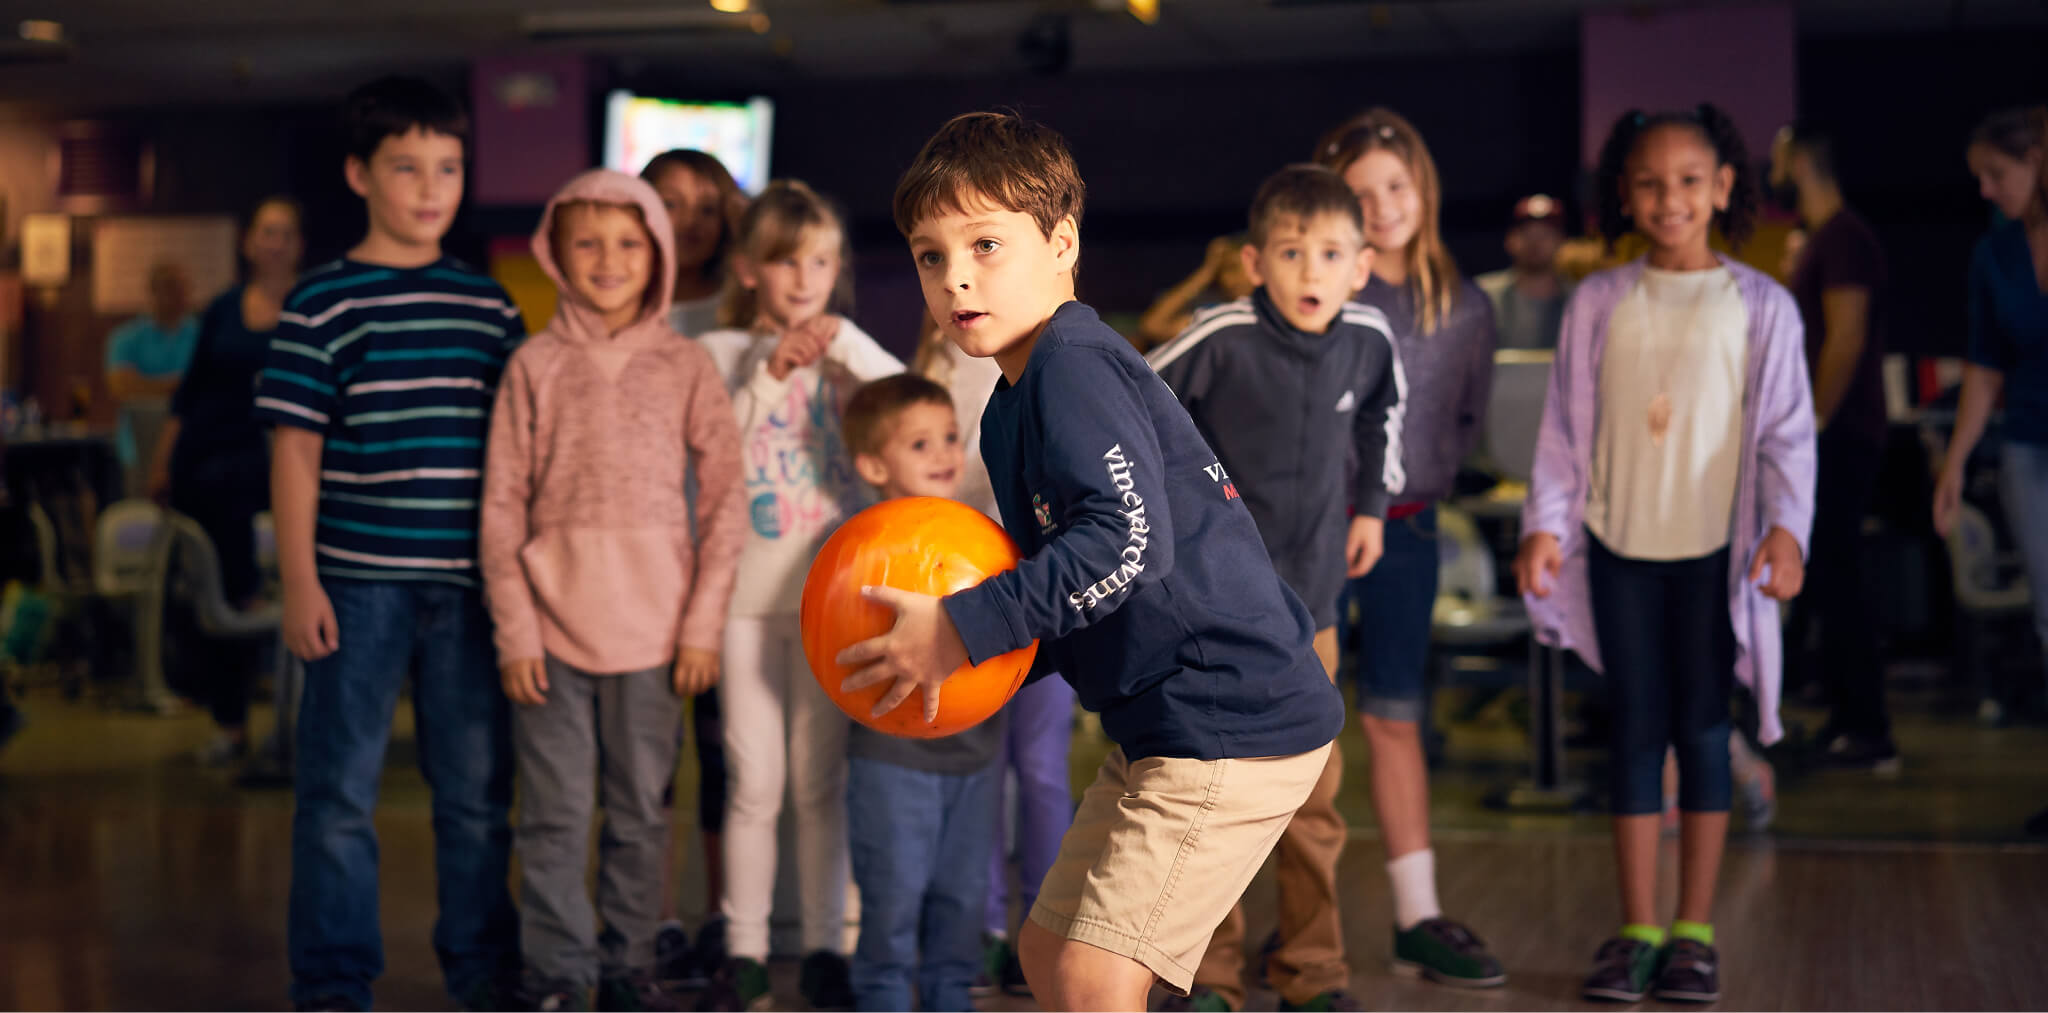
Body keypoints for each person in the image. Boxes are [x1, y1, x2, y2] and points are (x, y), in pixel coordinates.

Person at [841, 109, 1343, 1012]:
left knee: (1093, 978)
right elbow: (1075, 588)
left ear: (1062, 240)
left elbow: (1126, 544)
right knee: (1048, 951)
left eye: (985, 244)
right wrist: (968, 667)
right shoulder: (1007, 404)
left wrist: (966, 624)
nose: (955, 276)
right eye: (929, 254)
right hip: (1164, 725)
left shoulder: (1075, 362)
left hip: (1228, 719)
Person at [1514, 104, 1815, 1005]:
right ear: (1623, 193)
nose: (1669, 197)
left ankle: (1694, 932)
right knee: (1635, 735)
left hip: (1714, 559)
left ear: (1724, 187)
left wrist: (1788, 528)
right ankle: (1637, 927)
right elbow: (1567, 432)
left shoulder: (1761, 305)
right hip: (1619, 550)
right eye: (1648, 182)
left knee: (1704, 733)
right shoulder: (1601, 300)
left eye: (1689, 180)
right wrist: (1545, 526)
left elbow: (1787, 435)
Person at [252, 75, 523, 1013]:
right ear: (359, 174)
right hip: (356, 583)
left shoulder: (489, 310)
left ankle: (484, 974)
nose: (429, 187)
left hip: (468, 587)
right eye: (406, 167)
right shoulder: (321, 304)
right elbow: (294, 452)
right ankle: (331, 983)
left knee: (476, 799)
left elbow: (516, 460)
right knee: (336, 799)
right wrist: (299, 581)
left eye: (447, 167)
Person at [480, 168, 746, 1012]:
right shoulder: (533, 363)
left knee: (639, 816)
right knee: (554, 818)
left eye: (629, 243)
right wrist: (516, 631)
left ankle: (627, 965)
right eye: (587, 241)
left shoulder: (687, 364)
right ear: (554, 251)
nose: (608, 259)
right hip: (549, 641)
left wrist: (702, 625)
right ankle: (558, 973)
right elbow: (500, 505)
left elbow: (726, 503)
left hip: (660, 638)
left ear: (658, 255)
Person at [1145, 163, 1402, 1013]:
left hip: (1315, 614)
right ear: (1256, 262)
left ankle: (1313, 971)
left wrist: (1372, 506)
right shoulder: (1219, 335)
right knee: (1215, 804)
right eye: (1291, 253)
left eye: (1331, 254)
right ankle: (1209, 976)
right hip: (1218, 618)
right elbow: (1133, 404)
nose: (1311, 272)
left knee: (1313, 804)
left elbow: (1381, 413)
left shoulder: (1368, 338)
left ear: (1361, 266)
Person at [692, 180, 902, 1012]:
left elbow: (908, 408)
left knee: (821, 782)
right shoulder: (716, 352)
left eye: (821, 260)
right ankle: (743, 946)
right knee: (753, 780)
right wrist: (773, 373)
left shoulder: (848, 349)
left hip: (831, 599)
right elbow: (715, 463)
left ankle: (829, 944)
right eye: (787, 262)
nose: (806, 277)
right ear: (750, 270)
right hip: (745, 602)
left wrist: (845, 344)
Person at [1313, 107, 1505, 989]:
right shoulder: (1322, 293)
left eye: (1397, 185)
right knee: (1295, 732)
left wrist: (1402, 499)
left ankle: (1416, 917)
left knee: (1396, 717)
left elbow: (1464, 424)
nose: (1384, 205)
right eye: (1361, 193)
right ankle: (1271, 938)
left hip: (1410, 528)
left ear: (1423, 189)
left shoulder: (1465, 307)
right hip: (1312, 532)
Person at [910, 315, 1077, 999]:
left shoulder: (1054, 367)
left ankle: (1042, 923)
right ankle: (983, 930)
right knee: (981, 772)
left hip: (1035, 598)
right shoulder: (931, 373)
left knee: (1038, 768)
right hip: (961, 601)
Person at [832, 373, 1006, 1012]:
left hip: (975, 757)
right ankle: (881, 998)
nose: (943, 454)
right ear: (874, 465)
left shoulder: (980, 541)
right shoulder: (859, 551)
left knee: (960, 906)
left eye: (950, 439)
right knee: (893, 904)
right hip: (891, 762)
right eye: (920, 444)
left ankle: (949, 999)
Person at [638, 147, 749, 987]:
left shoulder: (744, 310)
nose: (689, 219)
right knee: (640, 757)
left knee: (720, 753)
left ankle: (720, 915)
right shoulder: (621, 305)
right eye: (670, 202)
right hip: (638, 557)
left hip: (721, 557)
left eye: (706, 205)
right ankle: (653, 921)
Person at [148, 197, 303, 766]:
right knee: (210, 587)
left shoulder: (312, 308)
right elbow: (187, 395)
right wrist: (162, 462)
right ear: (250, 242)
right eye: (266, 231)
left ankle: (292, 721)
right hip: (208, 461)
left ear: (298, 245)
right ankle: (230, 722)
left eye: (286, 233)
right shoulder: (222, 310)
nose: (275, 242)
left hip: (276, 464)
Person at [1769, 122, 1897, 771]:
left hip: (1840, 435)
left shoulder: (1844, 237)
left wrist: (1811, 424)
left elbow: (1844, 337)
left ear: (1799, 160)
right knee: (1824, 579)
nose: (1771, 165)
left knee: (1841, 579)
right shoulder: (1824, 239)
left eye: (1777, 155)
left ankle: (1869, 726)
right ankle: (1848, 715)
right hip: (1830, 434)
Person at [1935, 106, 2048, 835]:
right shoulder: (1996, 254)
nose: (1985, 188)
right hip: (2028, 445)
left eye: (1997, 173)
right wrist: (1953, 466)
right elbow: (1983, 369)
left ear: (2039, 160)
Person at [106, 260, 199, 491]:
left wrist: (148, 384)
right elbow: (120, 387)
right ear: (153, 292)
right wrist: (180, 385)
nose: (176, 295)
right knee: (139, 518)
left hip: (191, 446)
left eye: (181, 288)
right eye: (168, 288)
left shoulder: (202, 335)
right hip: (137, 447)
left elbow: (212, 386)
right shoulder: (126, 338)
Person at [641, 149, 748, 339]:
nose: (689, 221)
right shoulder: (619, 297)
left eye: (707, 209)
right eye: (671, 204)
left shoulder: (740, 304)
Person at [1476, 194, 1575, 350]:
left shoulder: (1578, 300)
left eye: (1545, 235)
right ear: (1509, 240)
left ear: (1561, 241)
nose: (1535, 243)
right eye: (1526, 234)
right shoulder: (1482, 297)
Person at [1133, 235, 1257, 352]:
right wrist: (1205, 273)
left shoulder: (1268, 315)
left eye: (1234, 267)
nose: (1229, 278)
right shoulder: (1210, 318)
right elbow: (1152, 326)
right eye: (1222, 271)